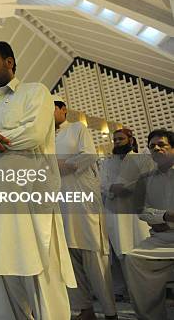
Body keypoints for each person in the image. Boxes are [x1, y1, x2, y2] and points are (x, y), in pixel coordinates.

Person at [0, 41, 76, 319]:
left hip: (30, 201)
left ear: (10, 62)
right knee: (3, 279)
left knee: (42, 278)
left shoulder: (35, 92)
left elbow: (34, 135)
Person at [54, 96, 117, 319]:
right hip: (59, 205)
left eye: (51, 109)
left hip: (83, 202)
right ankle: (84, 309)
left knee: (95, 258)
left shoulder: (77, 128)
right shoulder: (43, 136)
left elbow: (88, 155)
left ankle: (110, 312)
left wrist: (60, 166)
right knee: (69, 259)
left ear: (63, 109)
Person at [124, 129, 174, 320]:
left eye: (162, 145)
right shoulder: (145, 180)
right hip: (161, 238)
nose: (156, 149)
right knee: (133, 259)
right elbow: (141, 210)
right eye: (152, 146)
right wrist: (164, 216)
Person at [101, 128, 153, 298]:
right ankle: (130, 293)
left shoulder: (143, 159)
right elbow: (101, 184)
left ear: (131, 140)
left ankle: (148, 292)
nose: (116, 142)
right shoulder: (107, 162)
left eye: (120, 139)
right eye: (114, 140)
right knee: (121, 254)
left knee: (141, 252)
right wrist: (112, 189)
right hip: (114, 213)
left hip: (137, 214)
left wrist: (126, 188)